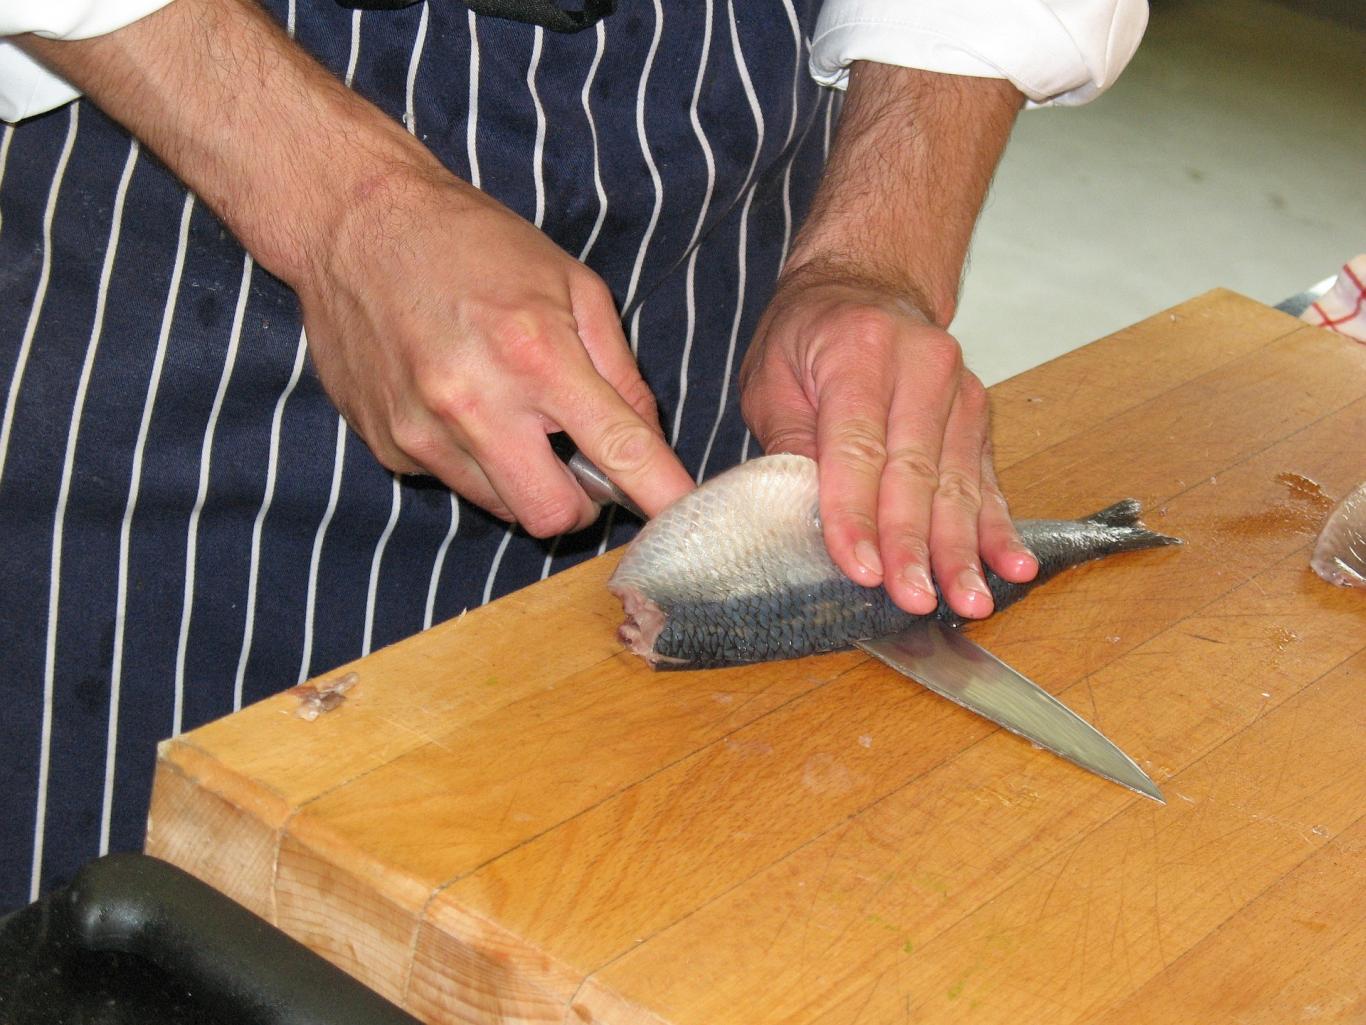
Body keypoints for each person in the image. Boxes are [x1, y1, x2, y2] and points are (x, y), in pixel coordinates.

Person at [0, 0, 1148, 910]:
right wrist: (341, 207)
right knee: (125, 917)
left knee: (611, 899)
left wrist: (871, 263)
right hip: (189, 169)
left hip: (723, 214)